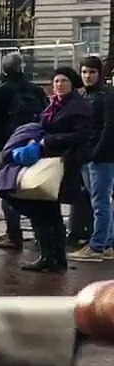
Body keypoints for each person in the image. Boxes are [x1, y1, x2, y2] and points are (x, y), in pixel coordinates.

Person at [2, 68, 93, 272]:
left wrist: (48, 141)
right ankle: (54, 257)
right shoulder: (54, 106)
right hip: (49, 160)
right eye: (56, 81)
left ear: (72, 83)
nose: (59, 84)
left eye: (63, 81)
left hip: (63, 163)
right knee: (48, 209)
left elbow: (82, 135)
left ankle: (50, 256)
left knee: (43, 208)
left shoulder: (78, 107)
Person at [0, 52, 47, 250]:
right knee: (35, 189)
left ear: (4, 69)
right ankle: (40, 234)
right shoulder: (36, 91)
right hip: (33, 146)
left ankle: (13, 234)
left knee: (7, 188)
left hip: (6, 148)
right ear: (22, 67)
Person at [74, 57, 114, 262]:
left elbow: (108, 127)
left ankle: (97, 246)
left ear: (99, 74)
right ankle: (106, 243)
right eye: (84, 72)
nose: (87, 76)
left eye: (91, 72)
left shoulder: (106, 96)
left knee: (100, 202)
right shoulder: (87, 95)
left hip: (101, 157)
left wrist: (97, 152)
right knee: (101, 201)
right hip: (89, 155)